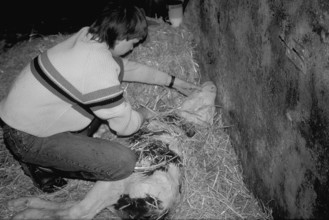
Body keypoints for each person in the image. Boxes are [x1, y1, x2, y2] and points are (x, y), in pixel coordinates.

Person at [0, 0, 200, 193]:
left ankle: (52, 154)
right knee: (123, 163)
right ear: (121, 38)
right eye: (133, 42)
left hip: (24, 118)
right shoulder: (96, 66)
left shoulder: (88, 37)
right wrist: (143, 114)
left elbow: (126, 69)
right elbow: (124, 126)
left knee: (98, 107)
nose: (132, 49)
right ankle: (42, 167)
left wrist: (174, 82)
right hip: (27, 138)